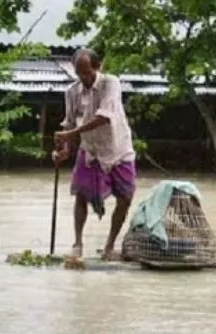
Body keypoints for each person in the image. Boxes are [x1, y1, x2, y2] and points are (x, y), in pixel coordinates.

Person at [52, 48, 137, 261]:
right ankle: (77, 244)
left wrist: (70, 133)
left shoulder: (111, 83)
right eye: (79, 74)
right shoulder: (71, 92)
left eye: (87, 73)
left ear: (98, 67)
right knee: (81, 195)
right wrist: (64, 149)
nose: (84, 78)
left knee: (126, 198)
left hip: (118, 148)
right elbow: (69, 122)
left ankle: (109, 247)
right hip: (90, 150)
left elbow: (104, 117)